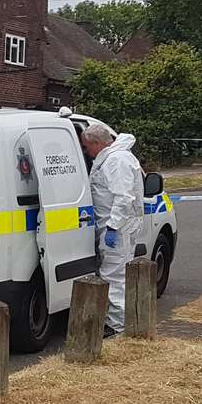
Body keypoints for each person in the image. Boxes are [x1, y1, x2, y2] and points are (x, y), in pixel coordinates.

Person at [80, 124, 145, 336]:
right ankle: (118, 324)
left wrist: (113, 227)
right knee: (114, 275)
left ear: (97, 144)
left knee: (114, 278)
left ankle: (119, 329)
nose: (86, 152)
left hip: (118, 229)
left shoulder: (116, 161)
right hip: (114, 226)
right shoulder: (113, 158)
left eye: (87, 147)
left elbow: (124, 197)